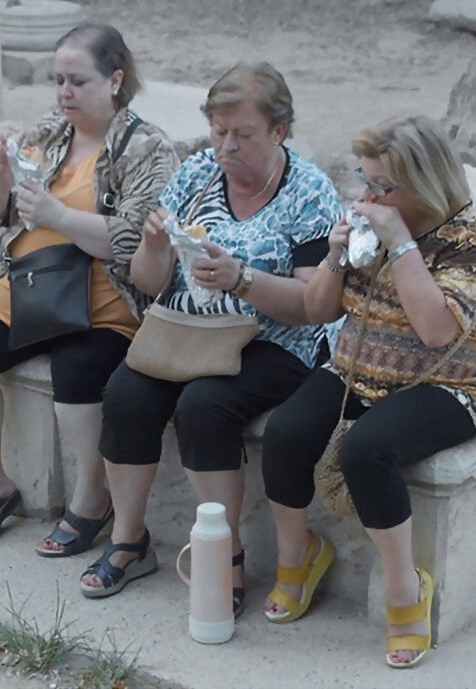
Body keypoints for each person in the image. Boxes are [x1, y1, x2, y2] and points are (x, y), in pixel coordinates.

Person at [78, 63, 342, 617]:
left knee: (204, 407)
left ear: (279, 131)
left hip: (277, 340)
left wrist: (242, 279)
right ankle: (129, 539)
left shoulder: (310, 191)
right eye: (219, 131)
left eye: (243, 134)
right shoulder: (197, 173)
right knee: (125, 393)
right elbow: (150, 282)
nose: (226, 146)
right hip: (191, 331)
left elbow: (313, 304)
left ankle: (226, 555)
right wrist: (154, 245)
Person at [259, 115, 476, 668]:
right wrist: (335, 256)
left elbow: (437, 330)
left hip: (451, 383)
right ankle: (299, 555)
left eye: (383, 187)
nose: (369, 197)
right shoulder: (368, 220)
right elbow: (318, 311)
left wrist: (399, 244)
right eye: (365, 181)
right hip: (357, 368)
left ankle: (404, 587)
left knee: (367, 450)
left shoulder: (473, 235)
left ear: (424, 184)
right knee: (286, 432)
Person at [0, 24, 179, 556]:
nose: (64, 93)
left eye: (78, 81)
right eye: (58, 81)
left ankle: (92, 499)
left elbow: (132, 242)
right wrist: (1, 179)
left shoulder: (146, 148)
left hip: (104, 303)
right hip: (34, 291)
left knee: (78, 369)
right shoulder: (50, 131)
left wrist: (59, 216)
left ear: (115, 80)